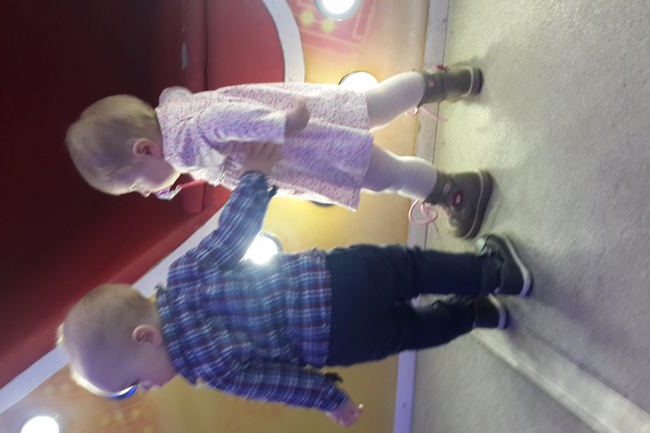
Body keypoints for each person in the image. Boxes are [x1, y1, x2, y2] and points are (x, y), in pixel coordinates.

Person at [58, 143, 532, 426]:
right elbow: (233, 234)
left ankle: (474, 314)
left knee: (408, 330)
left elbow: (278, 384)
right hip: (333, 280)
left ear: (145, 337)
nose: (147, 388)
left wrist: (331, 400)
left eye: (134, 383)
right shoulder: (184, 278)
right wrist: (255, 178)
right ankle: (495, 273)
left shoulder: (213, 372)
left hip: (335, 343)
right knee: (409, 270)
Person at [66, 65, 491, 238]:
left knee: (384, 176)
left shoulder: (185, 145)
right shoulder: (170, 113)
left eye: (136, 185)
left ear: (146, 149)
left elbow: (221, 119)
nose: (145, 192)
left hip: (309, 147)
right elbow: (180, 97)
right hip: (316, 111)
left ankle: (455, 192)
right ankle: (444, 82)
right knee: (374, 104)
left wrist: (282, 125)